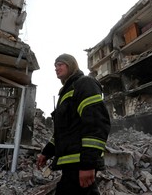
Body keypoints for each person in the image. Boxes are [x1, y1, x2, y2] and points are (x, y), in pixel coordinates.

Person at [37, 53, 111, 195]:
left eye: (60, 64)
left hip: (80, 164)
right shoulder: (66, 92)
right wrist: (46, 153)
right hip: (71, 166)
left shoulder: (85, 83)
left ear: (70, 65)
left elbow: (96, 123)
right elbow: (63, 132)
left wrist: (88, 164)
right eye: (55, 66)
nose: (56, 68)